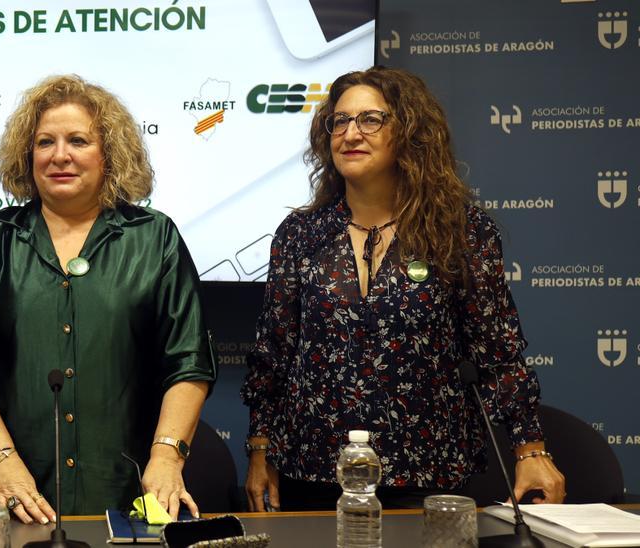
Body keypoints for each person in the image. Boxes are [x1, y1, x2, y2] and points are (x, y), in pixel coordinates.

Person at [241, 66, 566, 511]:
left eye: (370, 119)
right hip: (313, 470)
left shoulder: (460, 231)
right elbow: (272, 356)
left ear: (409, 133)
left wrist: (530, 450)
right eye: (340, 121)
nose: (351, 132)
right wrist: (261, 450)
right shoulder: (301, 234)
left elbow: (498, 354)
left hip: (426, 470)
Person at [0, 75, 216, 522]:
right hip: (18, 497)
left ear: (109, 154)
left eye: (78, 140)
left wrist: (167, 456)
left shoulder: (154, 238)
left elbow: (189, 359)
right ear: (28, 157)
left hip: (127, 495)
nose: (60, 155)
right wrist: (3, 460)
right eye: (45, 142)